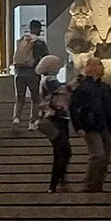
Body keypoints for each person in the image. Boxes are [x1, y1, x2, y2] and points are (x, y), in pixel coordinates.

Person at [69, 56, 111, 192]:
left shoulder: (104, 87)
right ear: (92, 68)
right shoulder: (82, 87)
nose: (103, 68)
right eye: (100, 65)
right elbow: (73, 106)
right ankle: (89, 184)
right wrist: (78, 126)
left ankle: (98, 185)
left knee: (104, 158)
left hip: (106, 125)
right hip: (90, 126)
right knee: (98, 155)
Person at [36, 54, 71, 192]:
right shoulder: (50, 81)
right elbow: (62, 89)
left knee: (62, 152)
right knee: (63, 151)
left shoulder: (45, 80)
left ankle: (59, 182)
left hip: (56, 118)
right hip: (56, 119)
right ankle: (56, 183)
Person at [11, 19, 49, 129]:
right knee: (35, 98)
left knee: (20, 97)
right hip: (33, 73)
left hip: (19, 74)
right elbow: (45, 58)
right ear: (39, 29)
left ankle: (16, 119)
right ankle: (33, 122)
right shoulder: (40, 43)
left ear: (30, 28)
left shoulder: (22, 40)